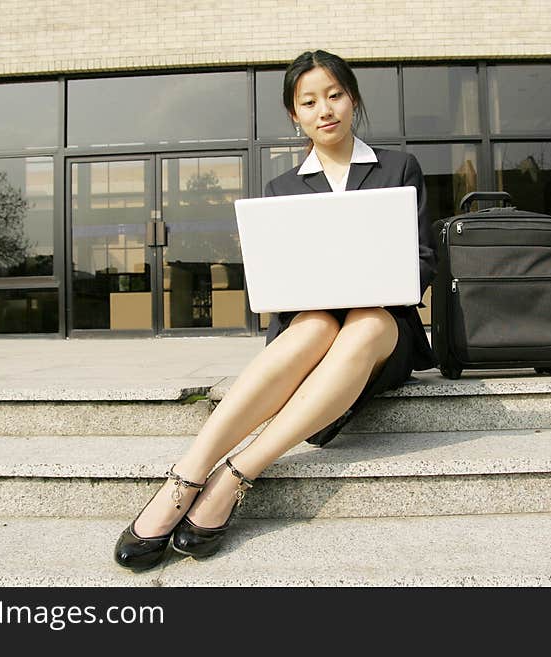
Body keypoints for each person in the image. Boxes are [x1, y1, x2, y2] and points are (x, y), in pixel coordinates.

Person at [114, 49, 437, 571]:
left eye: (334, 95)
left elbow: (423, 260)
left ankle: (235, 474)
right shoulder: (282, 188)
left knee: (365, 320)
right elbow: (276, 281)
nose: (324, 109)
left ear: (352, 98)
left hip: (381, 332)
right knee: (313, 325)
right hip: (312, 328)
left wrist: (376, 282)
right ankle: (186, 476)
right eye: (309, 101)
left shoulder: (398, 167)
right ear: (295, 114)